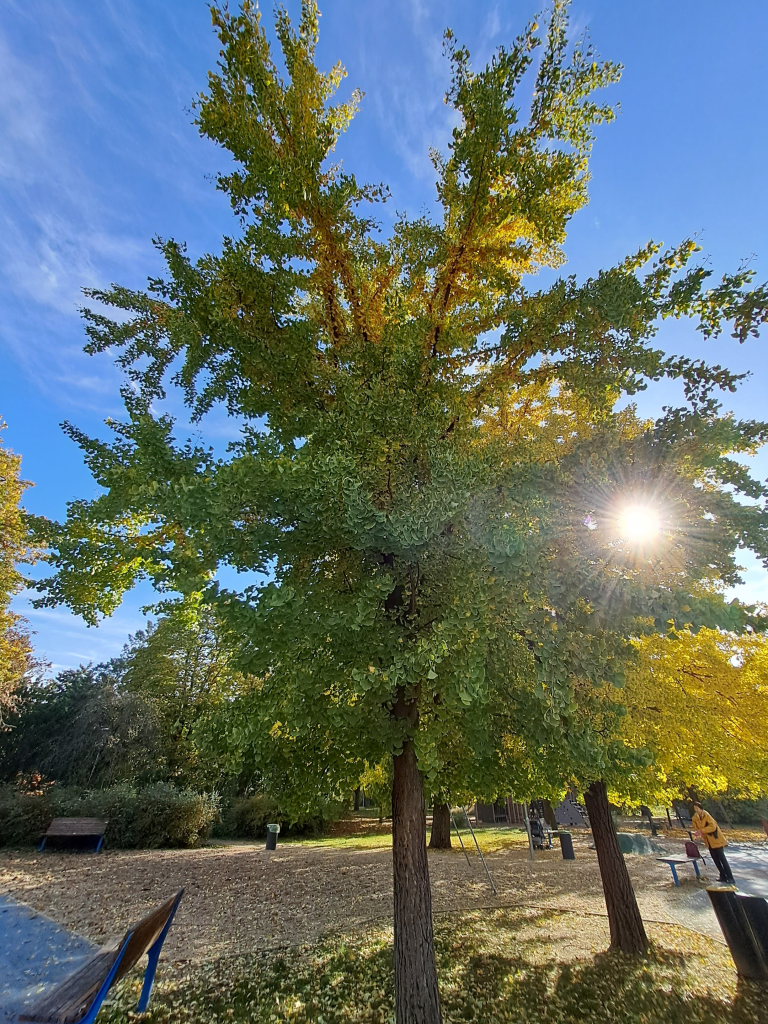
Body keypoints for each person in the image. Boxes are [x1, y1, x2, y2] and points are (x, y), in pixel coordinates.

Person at [692, 802, 734, 883]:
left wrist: (702, 831)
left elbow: (713, 827)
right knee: (715, 859)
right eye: (695, 809)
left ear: (701, 808)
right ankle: (722, 875)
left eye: (697, 808)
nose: (696, 810)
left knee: (722, 859)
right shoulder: (695, 818)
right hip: (708, 841)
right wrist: (697, 834)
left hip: (716, 839)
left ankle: (730, 877)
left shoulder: (706, 815)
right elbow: (697, 828)